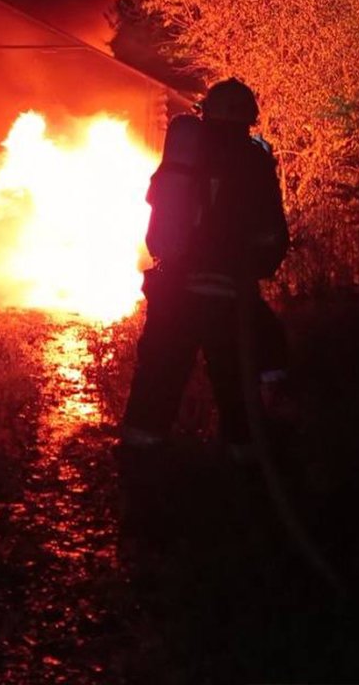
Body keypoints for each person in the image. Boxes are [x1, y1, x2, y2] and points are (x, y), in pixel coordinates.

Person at [122, 78, 289, 455]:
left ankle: (140, 450)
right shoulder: (254, 161)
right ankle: (242, 455)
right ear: (248, 118)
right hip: (229, 293)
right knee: (235, 377)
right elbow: (271, 234)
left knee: (161, 371)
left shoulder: (186, 154)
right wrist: (256, 265)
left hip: (175, 287)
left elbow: (157, 202)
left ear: (207, 113)